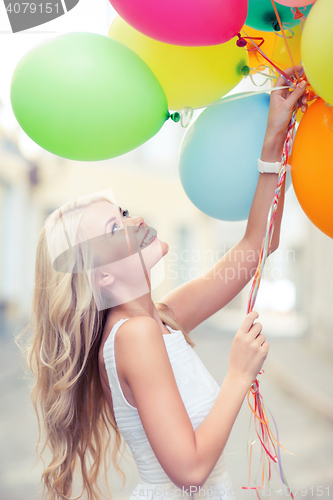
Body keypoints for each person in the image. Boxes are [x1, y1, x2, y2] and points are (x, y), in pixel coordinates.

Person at [19, 66, 308, 500]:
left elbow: (256, 244)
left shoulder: (162, 317)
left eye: (124, 213)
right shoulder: (134, 335)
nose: (135, 221)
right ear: (104, 275)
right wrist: (237, 373)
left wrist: (275, 132)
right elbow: (190, 470)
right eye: (117, 229)